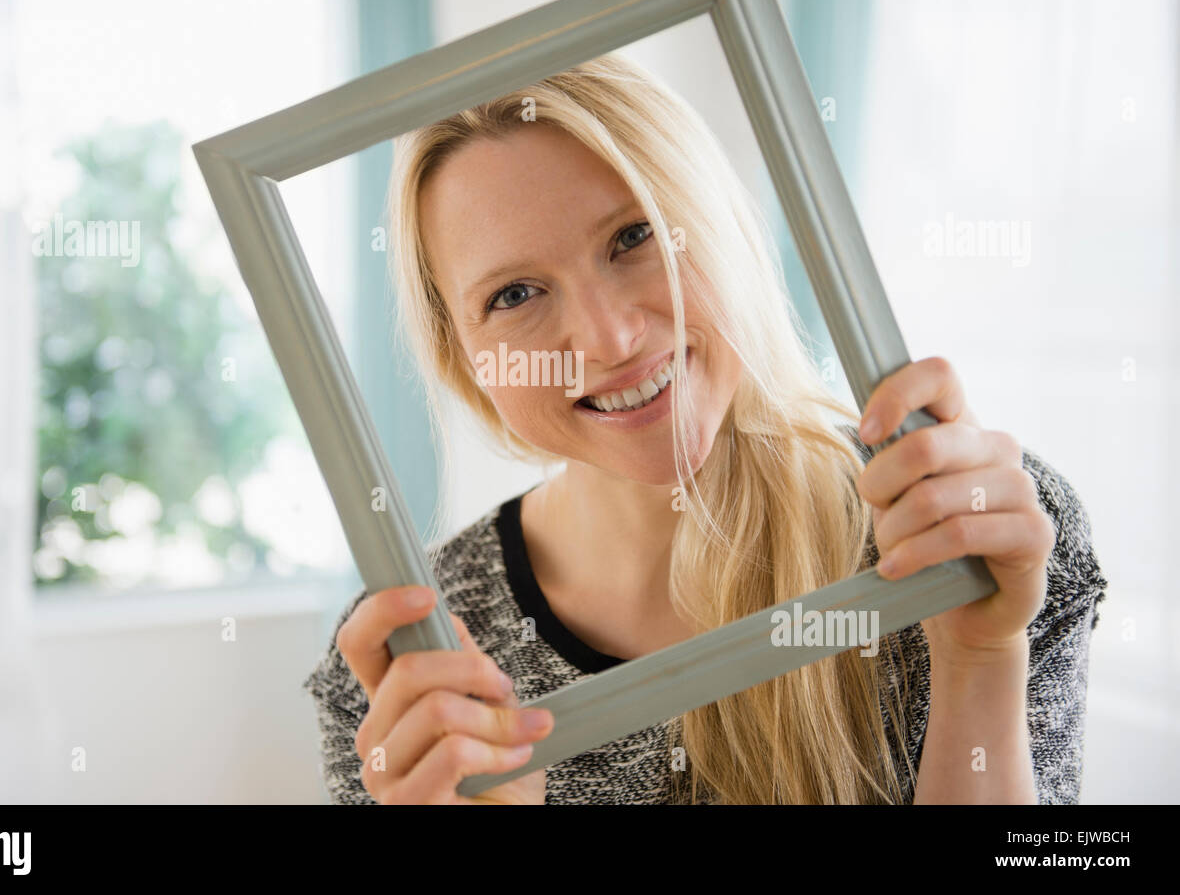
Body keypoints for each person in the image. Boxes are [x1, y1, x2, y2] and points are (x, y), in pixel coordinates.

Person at [304, 53, 1107, 805]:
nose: (611, 340)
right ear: (463, 359)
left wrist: (980, 659)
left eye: (634, 235)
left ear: (722, 226)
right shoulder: (404, 668)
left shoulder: (974, 531)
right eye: (515, 294)